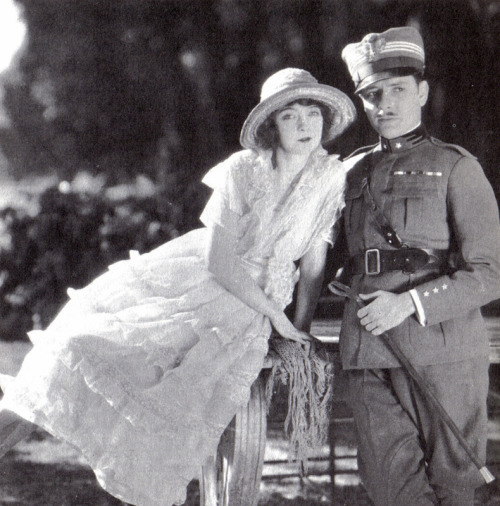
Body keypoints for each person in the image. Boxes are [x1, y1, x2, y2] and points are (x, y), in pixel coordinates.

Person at [0, 68, 356, 506]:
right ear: (270, 126)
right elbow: (219, 261)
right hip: (203, 281)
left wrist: (297, 329)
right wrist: (278, 317)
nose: (304, 126)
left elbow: (315, 262)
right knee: (75, 352)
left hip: (255, 306)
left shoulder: (330, 177)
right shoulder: (242, 170)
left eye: (312, 113)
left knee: (176, 396)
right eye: (290, 116)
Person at [336, 26, 500, 505]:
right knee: (391, 489)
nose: (384, 104)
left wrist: (409, 302)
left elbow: (491, 271)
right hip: (368, 349)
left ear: (422, 92)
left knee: (456, 486)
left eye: (398, 90)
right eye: (372, 94)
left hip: (442, 352)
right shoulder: (350, 173)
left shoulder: (455, 167)